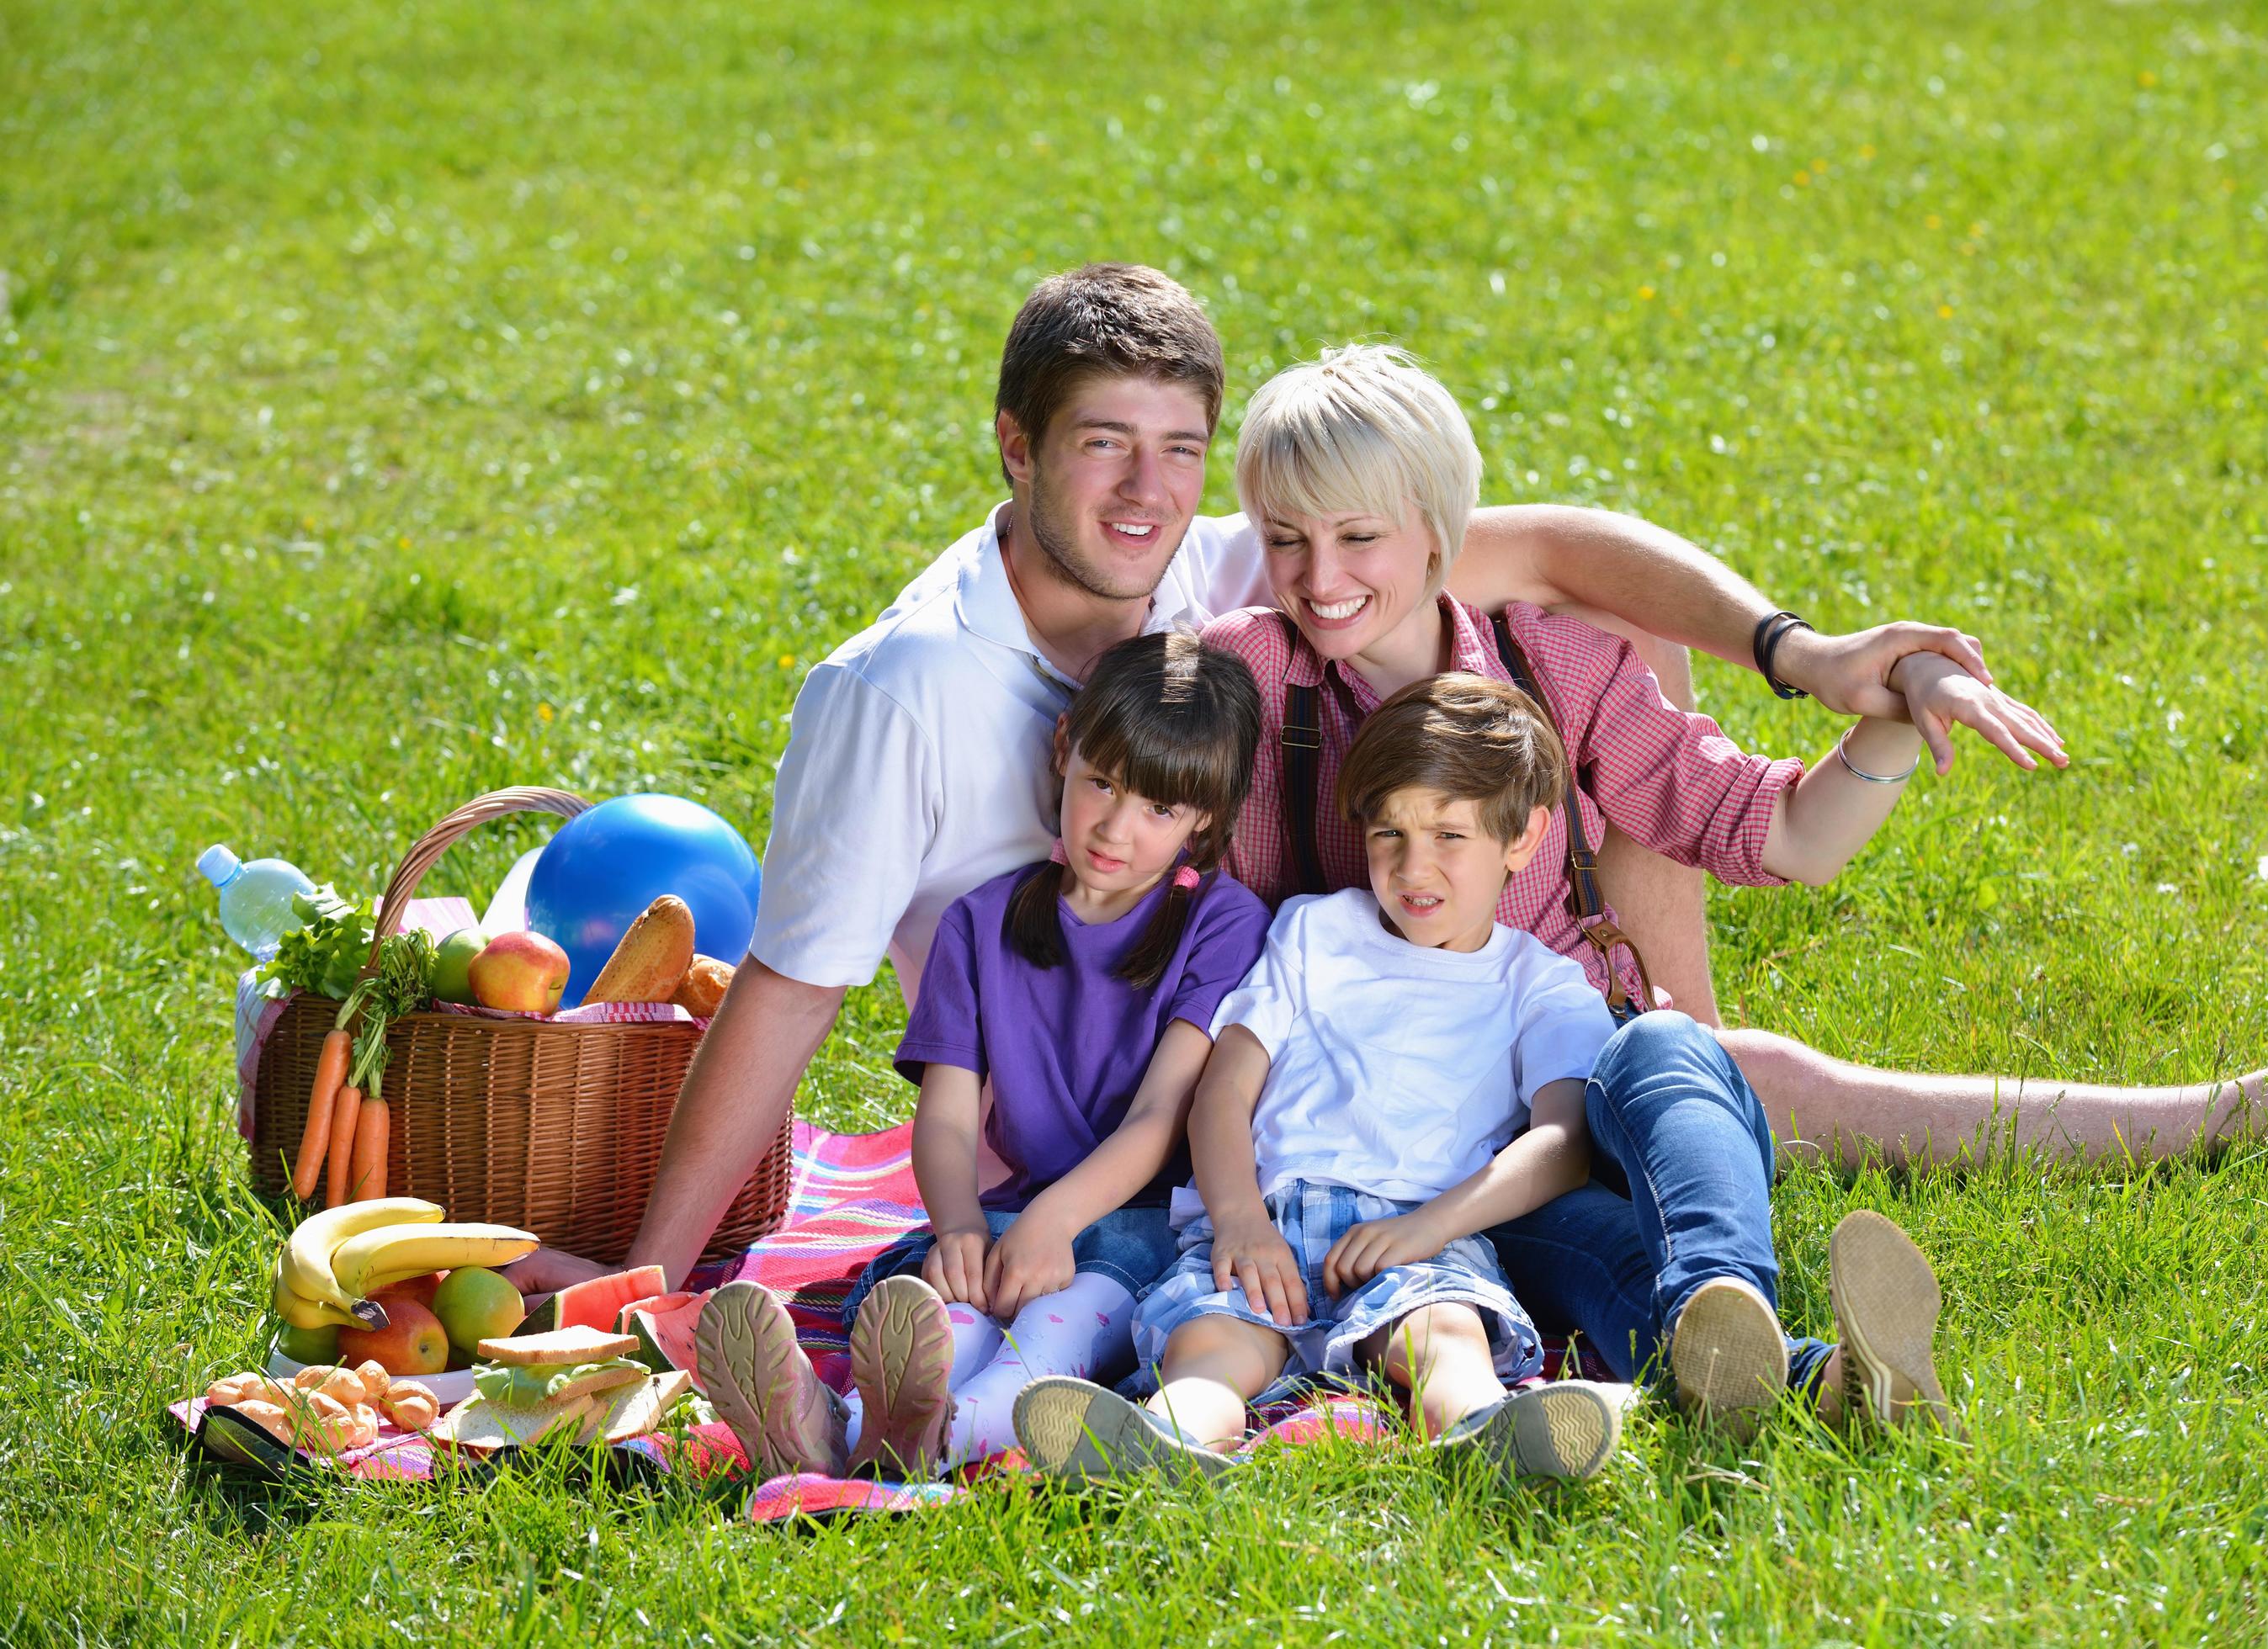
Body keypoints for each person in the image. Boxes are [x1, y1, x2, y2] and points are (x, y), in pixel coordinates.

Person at [504, 262, 2022, 1303]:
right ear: (1014, 447)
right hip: (1212, 1117)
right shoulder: (934, 685)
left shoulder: (1258, 570)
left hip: (1453, 1034)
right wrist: (647, 1271)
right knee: (1593, 1193)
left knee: (1663, 1074)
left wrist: (1818, 662)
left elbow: (1567, 554)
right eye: (1104, 446)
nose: (1147, 494)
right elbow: (790, 984)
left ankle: (1741, 1274)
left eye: (1179, 451)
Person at [1196, 342, 2268, 1382]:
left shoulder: (1552, 665)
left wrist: (1895, 717)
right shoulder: (1244, 679)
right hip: (1379, 1122)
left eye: (1354, 539)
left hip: (1550, 1082)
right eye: (1285, 540)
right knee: (1667, 1149)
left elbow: (1779, 833)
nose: (1317, 578)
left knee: (1681, 1054)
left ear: (1436, 535)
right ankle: (1789, 1362)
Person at [1012, 676, 1957, 1481]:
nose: (1412, 869)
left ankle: (1494, 1434)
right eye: (1388, 834)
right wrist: (1238, 1218)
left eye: (1450, 838)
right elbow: (1224, 1090)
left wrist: (1433, 1222)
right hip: (1277, 1215)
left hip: (1427, 1224)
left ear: (1524, 836)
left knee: (1446, 1343)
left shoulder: (1539, 982)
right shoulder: (1315, 930)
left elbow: (1561, 1137)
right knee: (1211, 1350)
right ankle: (1164, 1444)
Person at [693, 630, 1272, 1479]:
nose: (1115, 827)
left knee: (1047, 1331)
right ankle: (835, 1418)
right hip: (1012, 1210)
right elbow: (950, 1114)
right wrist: (961, 1221)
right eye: (1101, 783)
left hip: (1142, 1227)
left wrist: (1058, 1219)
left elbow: (1161, 1114)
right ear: (1064, 749)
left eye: (1158, 809)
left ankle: (916, 1441)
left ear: (1204, 820)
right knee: (946, 1318)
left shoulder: (1221, 923)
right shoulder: (982, 920)